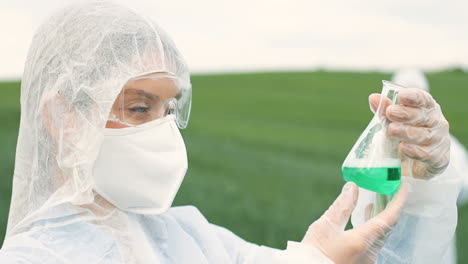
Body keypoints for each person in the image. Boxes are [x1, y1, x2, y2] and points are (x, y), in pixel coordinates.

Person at [0, 1, 459, 263]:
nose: (162, 132)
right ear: (64, 118)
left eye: (169, 109)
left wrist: (420, 186)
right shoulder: (35, 258)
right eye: (140, 108)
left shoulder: (188, 240)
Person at [390, 68, 468, 264]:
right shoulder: (384, 143)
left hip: (434, 249)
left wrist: (432, 179)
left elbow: (462, 190)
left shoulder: (446, 147)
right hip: (385, 246)